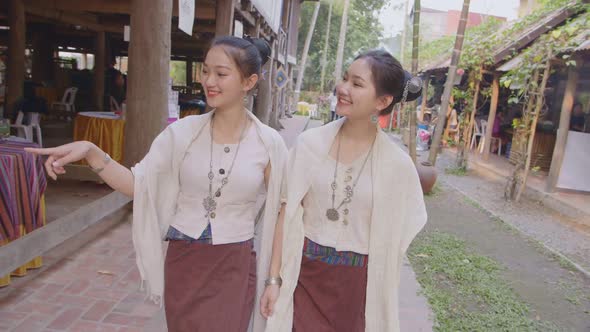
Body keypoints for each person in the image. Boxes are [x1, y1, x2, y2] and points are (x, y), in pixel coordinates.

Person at [26, 36, 288, 332]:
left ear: (249, 81)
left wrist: (274, 280)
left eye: (221, 73)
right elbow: (139, 185)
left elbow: (283, 213)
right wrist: (92, 152)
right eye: (205, 71)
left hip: (234, 265)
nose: (209, 81)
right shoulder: (182, 134)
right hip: (184, 262)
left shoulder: (269, 144)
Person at [260, 50, 427, 331]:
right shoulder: (309, 144)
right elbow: (286, 213)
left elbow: (403, 230)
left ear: (383, 101)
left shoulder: (397, 166)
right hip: (303, 276)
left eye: (357, 84)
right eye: (345, 79)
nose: (343, 88)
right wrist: (274, 280)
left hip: (357, 289)